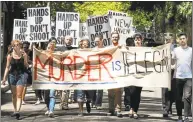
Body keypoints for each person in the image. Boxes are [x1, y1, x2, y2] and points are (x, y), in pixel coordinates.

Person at [1, 40, 29, 120]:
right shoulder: (10, 55)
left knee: (19, 95)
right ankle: (15, 110)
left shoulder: (24, 55)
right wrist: (4, 78)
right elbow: (7, 67)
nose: (16, 46)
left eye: (18, 45)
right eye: (14, 45)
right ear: (13, 46)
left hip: (21, 75)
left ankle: (17, 111)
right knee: (14, 94)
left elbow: (26, 65)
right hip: (12, 75)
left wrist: (27, 63)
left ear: (20, 46)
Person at [173, 33, 192, 122]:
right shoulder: (176, 50)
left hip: (188, 77)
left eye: (184, 38)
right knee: (178, 97)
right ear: (178, 40)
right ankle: (179, 116)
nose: (182, 40)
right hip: (178, 77)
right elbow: (171, 61)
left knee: (187, 96)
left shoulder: (191, 51)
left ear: (187, 39)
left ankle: (186, 116)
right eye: (180, 39)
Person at [56, 36, 76, 110]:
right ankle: (62, 102)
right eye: (67, 39)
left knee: (65, 88)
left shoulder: (74, 49)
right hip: (60, 70)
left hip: (69, 71)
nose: (69, 41)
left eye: (70, 40)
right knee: (60, 89)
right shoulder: (59, 49)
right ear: (64, 40)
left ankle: (64, 104)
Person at [76, 37, 94, 116]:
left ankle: (88, 102)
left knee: (90, 93)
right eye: (84, 44)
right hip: (80, 75)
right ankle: (81, 110)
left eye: (87, 45)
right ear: (81, 45)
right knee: (80, 93)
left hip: (89, 75)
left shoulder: (92, 52)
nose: (85, 46)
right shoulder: (77, 52)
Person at [127, 33, 143, 119]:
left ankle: (135, 111)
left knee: (138, 93)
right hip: (132, 74)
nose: (137, 41)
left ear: (141, 40)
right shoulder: (130, 49)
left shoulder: (145, 50)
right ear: (134, 41)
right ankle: (131, 108)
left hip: (141, 74)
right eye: (136, 40)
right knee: (131, 92)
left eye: (139, 39)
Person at [107, 31, 122, 117]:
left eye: (116, 37)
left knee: (118, 92)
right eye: (113, 37)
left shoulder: (121, 47)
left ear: (118, 38)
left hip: (119, 73)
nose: (115, 38)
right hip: (109, 72)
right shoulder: (108, 48)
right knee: (110, 92)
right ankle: (111, 109)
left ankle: (118, 110)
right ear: (111, 38)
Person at [162, 36, 177, 117]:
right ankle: (165, 109)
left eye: (169, 39)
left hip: (172, 72)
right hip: (163, 72)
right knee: (165, 91)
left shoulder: (175, 49)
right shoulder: (160, 50)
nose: (167, 41)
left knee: (172, 91)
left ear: (172, 41)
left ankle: (169, 107)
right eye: (166, 39)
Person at [43, 38, 59, 118]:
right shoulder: (43, 53)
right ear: (48, 43)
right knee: (46, 95)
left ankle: (51, 110)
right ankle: (48, 108)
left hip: (54, 77)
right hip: (45, 77)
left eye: (54, 43)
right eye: (51, 42)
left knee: (52, 94)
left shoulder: (58, 53)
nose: (53, 44)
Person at [91, 35, 104, 110]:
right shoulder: (93, 49)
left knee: (100, 88)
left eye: (98, 41)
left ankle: (98, 103)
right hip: (94, 70)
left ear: (101, 40)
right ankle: (93, 101)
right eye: (95, 41)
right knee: (93, 88)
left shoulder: (105, 49)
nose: (96, 43)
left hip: (102, 70)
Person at [124, 37, 134, 111]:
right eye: (129, 43)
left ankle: (132, 105)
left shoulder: (136, 50)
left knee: (133, 90)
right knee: (127, 90)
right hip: (126, 72)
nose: (130, 44)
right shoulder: (124, 49)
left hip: (134, 72)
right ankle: (127, 104)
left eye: (131, 42)